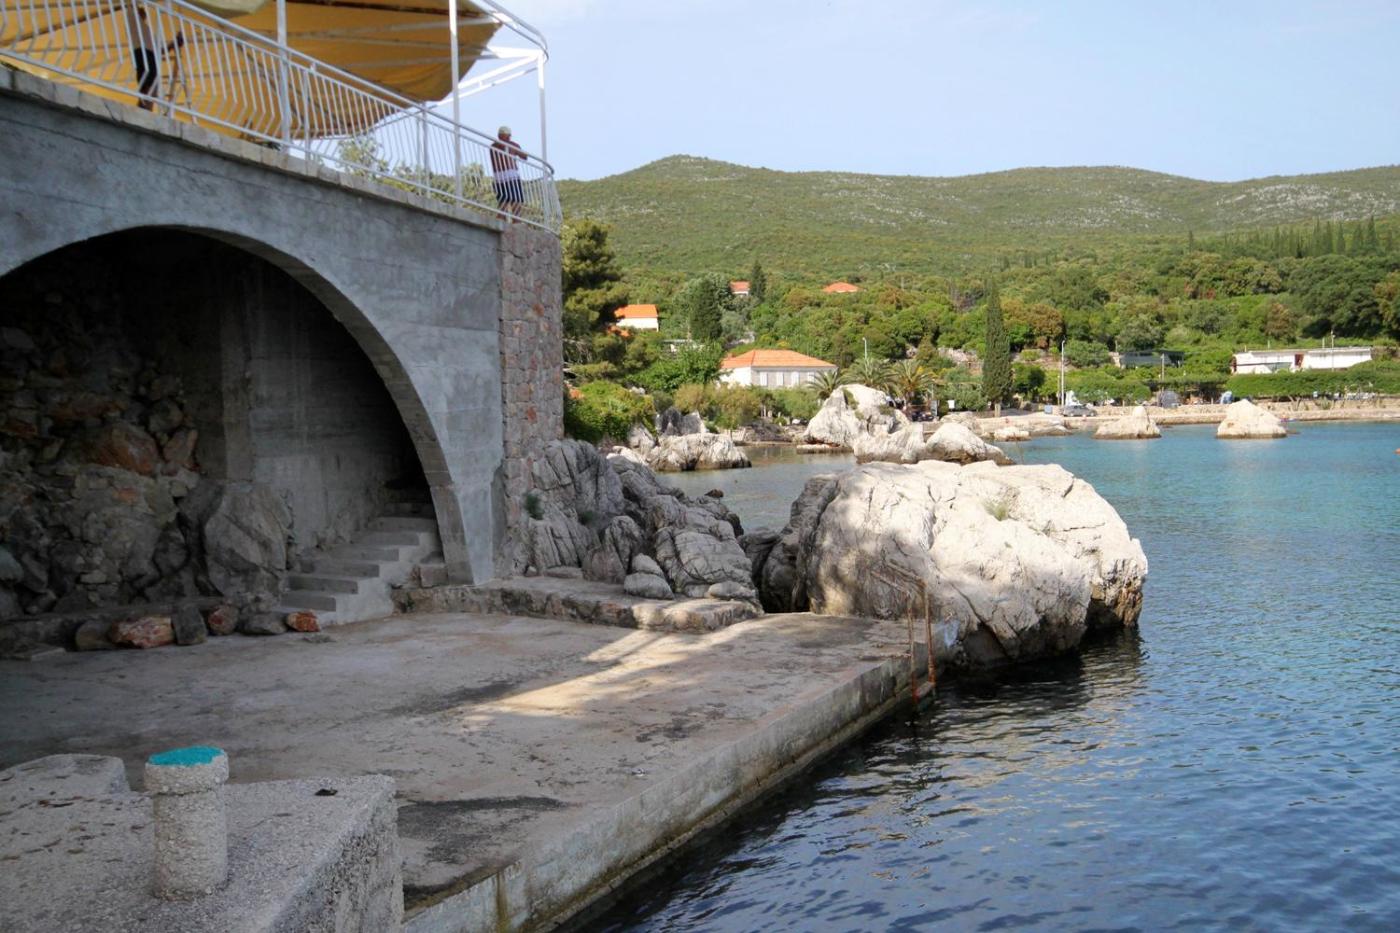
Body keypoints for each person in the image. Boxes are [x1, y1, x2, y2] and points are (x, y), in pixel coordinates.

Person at [124, 4, 159, 110]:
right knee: (147, 87)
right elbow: (130, 8)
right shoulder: (133, 23)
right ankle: (144, 109)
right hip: (142, 53)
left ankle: (146, 109)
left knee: (151, 88)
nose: (144, 15)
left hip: (149, 56)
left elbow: (160, 48)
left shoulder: (144, 29)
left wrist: (175, 43)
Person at [490, 125, 525, 217]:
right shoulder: (499, 145)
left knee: (504, 201)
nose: (509, 138)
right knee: (514, 201)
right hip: (510, 177)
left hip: (499, 178)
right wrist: (515, 149)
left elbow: (524, 157)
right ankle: (515, 221)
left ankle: (504, 220)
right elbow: (524, 156)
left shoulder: (494, 145)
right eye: (508, 136)